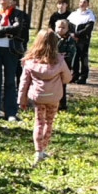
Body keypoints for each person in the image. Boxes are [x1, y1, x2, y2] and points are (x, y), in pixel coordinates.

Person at [18, 29, 72, 164]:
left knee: (39, 122)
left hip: (38, 96)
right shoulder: (59, 60)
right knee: (49, 122)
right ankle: (44, 148)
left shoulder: (30, 61)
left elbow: (24, 82)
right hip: (54, 97)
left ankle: (38, 151)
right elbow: (67, 78)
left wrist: (21, 100)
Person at [0, 0, 29, 122]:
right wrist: (5, 33)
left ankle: (11, 112)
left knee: (10, 81)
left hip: (11, 50)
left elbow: (17, 29)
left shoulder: (18, 13)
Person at [67, 0, 96, 84]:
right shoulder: (73, 14)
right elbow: (68, 25)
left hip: (83, 40)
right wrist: (71, 34)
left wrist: (77, 35)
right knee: (74, 58)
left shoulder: (90, 15)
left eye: (84, 2)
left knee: (83, 59)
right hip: (73, 39)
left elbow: (88, 29)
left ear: (87, 4)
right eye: (80, 2)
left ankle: (83, 77)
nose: (82, 4)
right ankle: (74, 76)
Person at [54, 18, 77, 111]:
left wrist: (63, 57)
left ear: (67, 29)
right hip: (53, 65)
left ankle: (62, 105)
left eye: (63, 28)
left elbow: (71, 52)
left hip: (64, 65)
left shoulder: (69, 40)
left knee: (62, 85)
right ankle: (52, 102)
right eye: (59, 27)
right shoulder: (52, 38)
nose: (61, 29)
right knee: (52, 84)